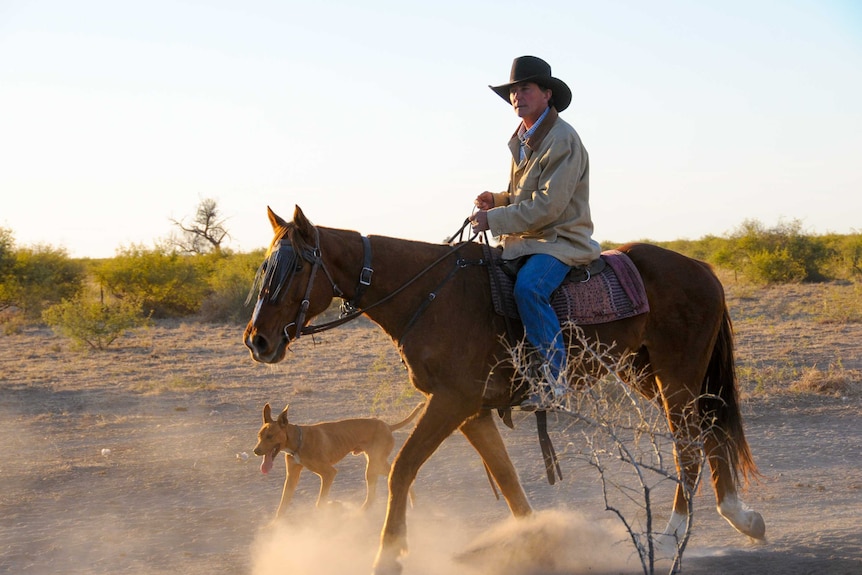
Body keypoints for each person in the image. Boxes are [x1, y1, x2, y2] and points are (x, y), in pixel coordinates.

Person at [470, 55, 601, 411]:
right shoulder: (524, 138)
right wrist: (496, 199)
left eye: (524, 88)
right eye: (512, 91)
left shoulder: (563, 139)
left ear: (547, 93)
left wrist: (494, 218)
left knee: (529, 289)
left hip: (559, 241)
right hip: (526, 240)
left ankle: (555, 382)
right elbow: (525, 195)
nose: (516, 96)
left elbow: (549, 206)